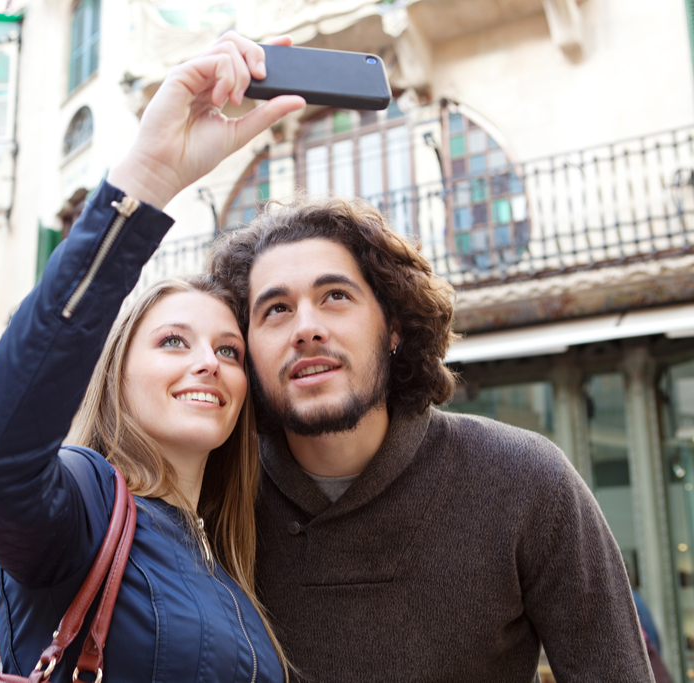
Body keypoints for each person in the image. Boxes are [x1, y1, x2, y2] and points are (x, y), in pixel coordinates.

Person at [0, 32, 305, 682]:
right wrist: (147, 179)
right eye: (174, 341)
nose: (210, 363)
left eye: (228, 349)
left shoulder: (227, 563)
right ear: (115, 375)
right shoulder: (80, 505)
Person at [207, 195, 655, 680]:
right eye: (276, 309)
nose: (307, 329)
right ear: (245, 348)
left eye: (336, 296)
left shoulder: (526, 480)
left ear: (393, 326)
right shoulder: (212, 498)